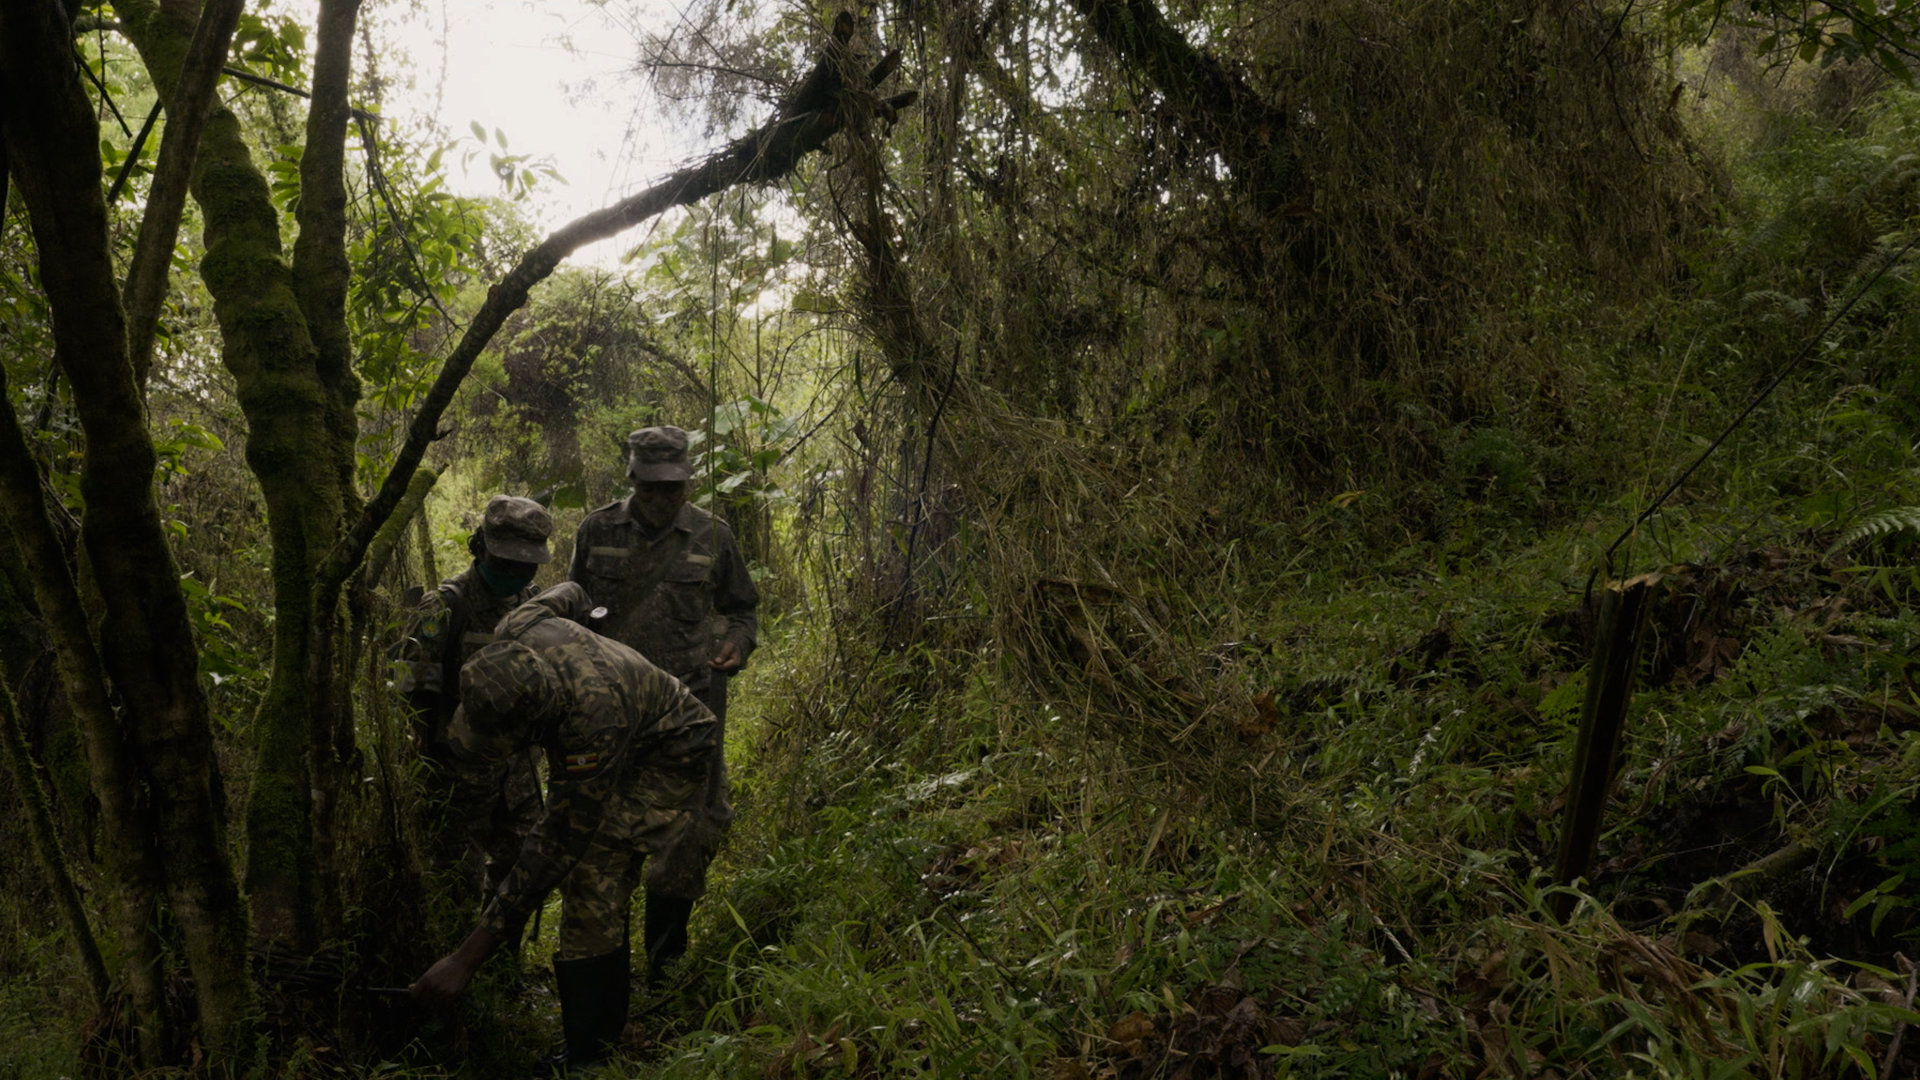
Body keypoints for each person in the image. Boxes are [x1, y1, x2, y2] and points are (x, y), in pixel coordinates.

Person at [409, 582, 717, 1071]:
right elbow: (571, 590)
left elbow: (556, 844)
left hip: (670, 749)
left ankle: (591, 1055)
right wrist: (595, 640)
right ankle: (596, 1034)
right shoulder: (517, 625)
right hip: (625, 718)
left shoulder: (594, 722)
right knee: (587, 866)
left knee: (594, 878)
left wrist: (466, 958)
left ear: (536, 723)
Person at [569, 425, 759, 986]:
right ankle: (604, 968)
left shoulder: (712, 535)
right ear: (631, 478)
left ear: (687, 483)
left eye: (671, 489)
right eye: (650, 488)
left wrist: (737, 643)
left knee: (689, 833)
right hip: (609, 714)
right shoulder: (597, 529)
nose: (660, 500)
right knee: (605, 837)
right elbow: (574, 613)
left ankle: (664, 965)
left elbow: (743, 609)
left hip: (689, 714)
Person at [393, 494, 552, 900]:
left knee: (520, 873)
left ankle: (500, 955)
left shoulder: (537, 607)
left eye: (525, 564)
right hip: (457, 780)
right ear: (479, 548)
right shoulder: (445, 607)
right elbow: (411, 694)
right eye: (507, 563)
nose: (516, 572)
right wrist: (425, 763)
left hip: (520, 776)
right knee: (453, 883)